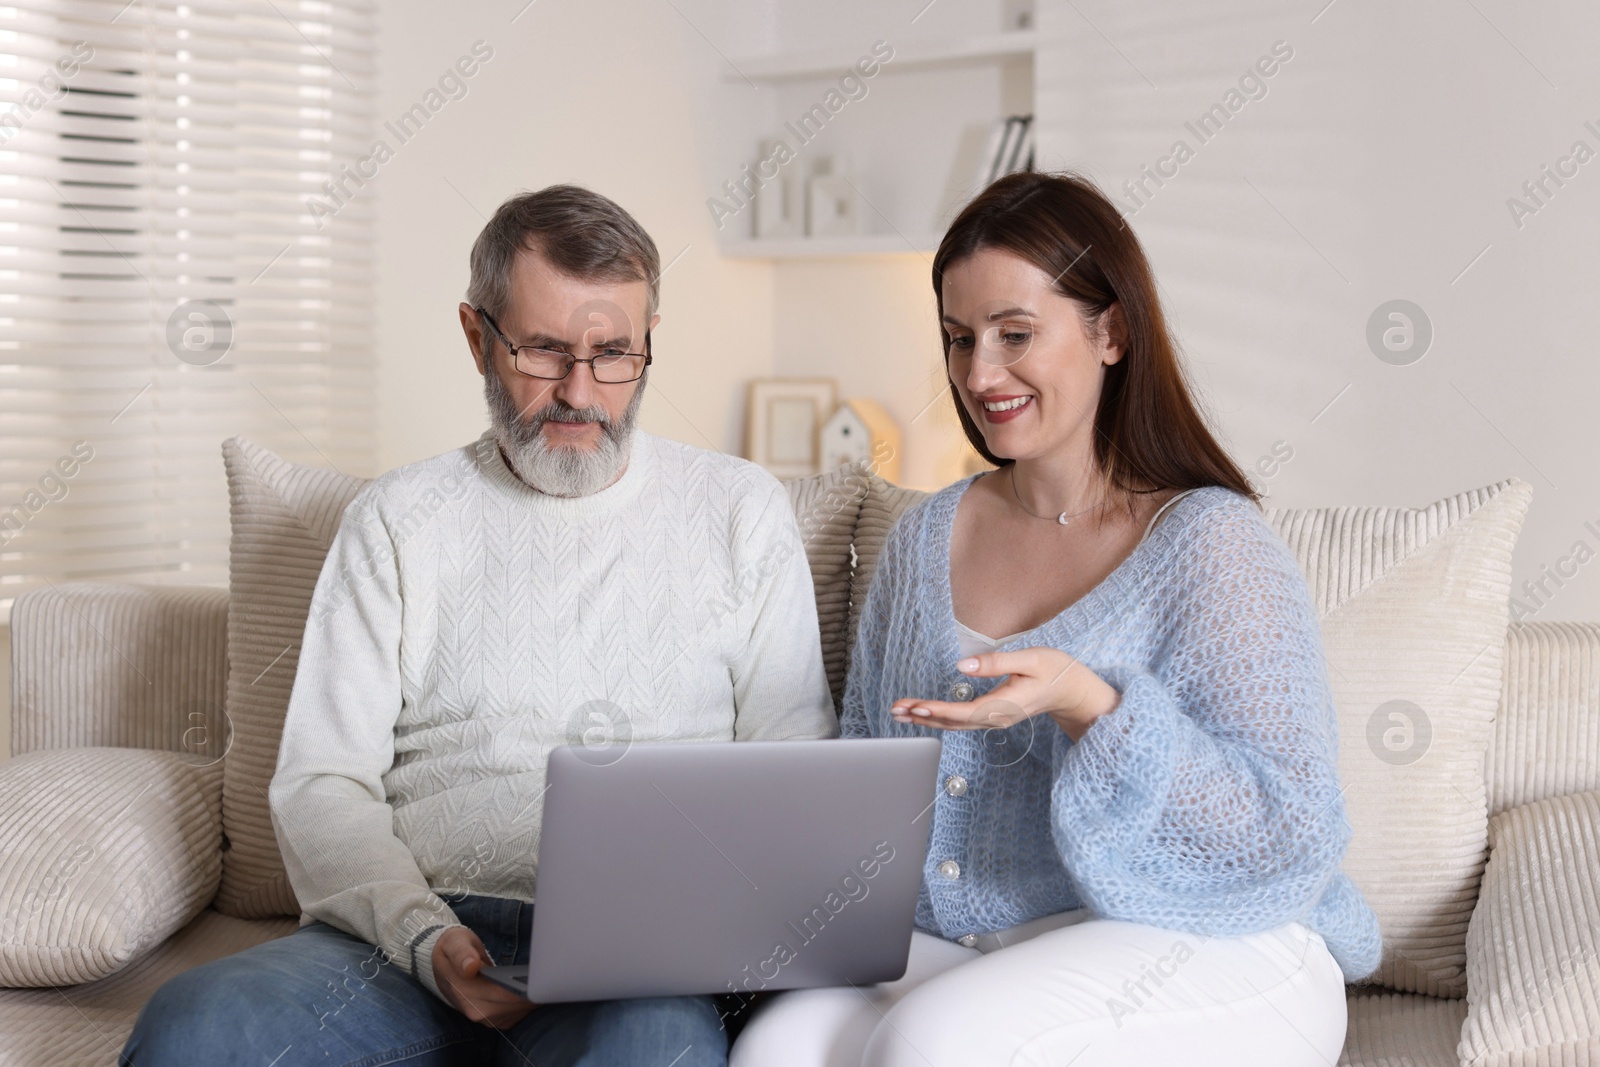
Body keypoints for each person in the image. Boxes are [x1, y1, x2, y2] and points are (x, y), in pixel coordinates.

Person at [121, 184, 837, 1066]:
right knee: (196, 1026)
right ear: (476, 337)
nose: (581, 392)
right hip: (401, 941)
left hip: (636, 965)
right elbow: (321, 782)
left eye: (614, 353)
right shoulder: (397, 521)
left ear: (649, 343)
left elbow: (793, 773)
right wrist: (424, 936)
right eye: (542, 350)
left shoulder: (740, 512)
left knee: (656, 1047)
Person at [730, 171, 1382, 1067]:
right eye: (960, 339)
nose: (979, 373)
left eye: (1015, 334)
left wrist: (1089, 704)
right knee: (778, 1047)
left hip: (1219, 937)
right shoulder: (925, 536)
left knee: (928, 1043)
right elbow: (865, 782)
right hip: (982, 946)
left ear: (1110, 331)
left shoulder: (1210, 541)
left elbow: (1289, 827)